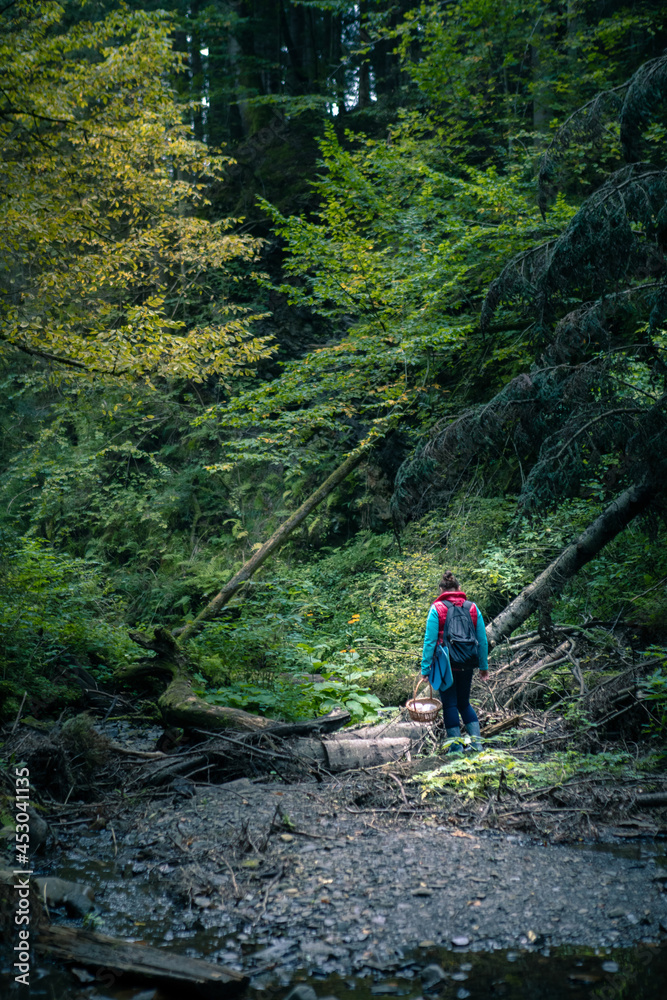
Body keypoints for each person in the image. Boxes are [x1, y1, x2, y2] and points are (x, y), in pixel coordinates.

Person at [420, 570, 489, 752]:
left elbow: (430, 641)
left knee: (450, 704)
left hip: (445, 665)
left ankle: (456, 749)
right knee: (464, 703)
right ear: (459, 588)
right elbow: (482, 640)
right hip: (467, 662)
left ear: (441, 590)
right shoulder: (472, 608)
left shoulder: (437, 609)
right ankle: (477, 745)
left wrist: (425, 669)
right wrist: (483, 667)